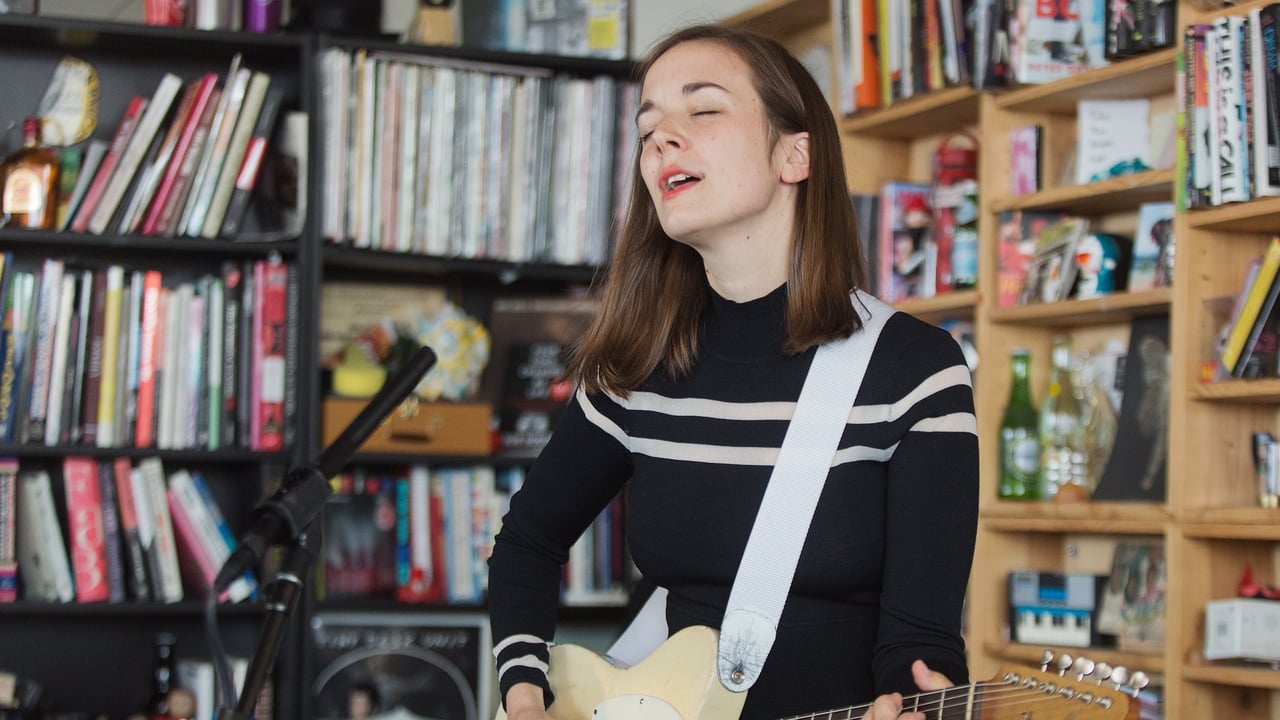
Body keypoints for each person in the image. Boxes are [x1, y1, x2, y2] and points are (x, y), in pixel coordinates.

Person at [487, 23, 978, 720]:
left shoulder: (915, 371)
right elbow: (527, 541)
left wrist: (921, 701)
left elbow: (921, 646)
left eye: (704, 109)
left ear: (795, 155)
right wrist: (525, 692)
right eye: (648, 125)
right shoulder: (635, 368)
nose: (661, 139)